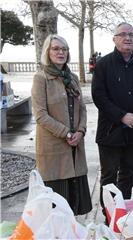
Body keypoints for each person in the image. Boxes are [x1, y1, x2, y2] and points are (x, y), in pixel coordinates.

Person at [91, 22, 133, 218]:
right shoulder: (103, 64)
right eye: (122, 34)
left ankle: (123, 211)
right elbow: (99, 96)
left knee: (128, 175)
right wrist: (122, 116)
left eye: (131, 34)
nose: (127, 38)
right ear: (114, 39)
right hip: (110, 130)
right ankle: (109, 214)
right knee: (109, 176)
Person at [31, 34, 92, 215]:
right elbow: (40, 114)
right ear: (47, 52)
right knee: (55, 208)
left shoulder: (71, 78)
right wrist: (66, 133)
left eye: (64, 49)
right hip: (54, 149)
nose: (61, 52)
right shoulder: (41, 78)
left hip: (75, 148)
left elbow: (82, 108)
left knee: (74, 207)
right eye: (56, 48)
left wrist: (80, 131)